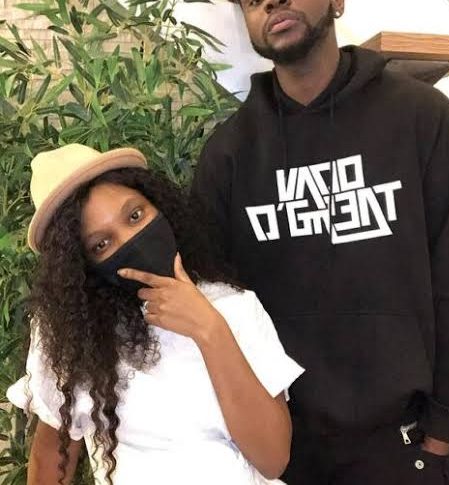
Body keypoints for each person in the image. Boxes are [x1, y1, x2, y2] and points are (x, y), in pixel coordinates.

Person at [191, 0, 449, 483]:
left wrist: (441, 435)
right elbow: (216, 311)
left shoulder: (421, 117)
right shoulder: (228, 154)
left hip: (405, 446)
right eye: (249, 1)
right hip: (284, 453)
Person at [7, 144, 304, 485]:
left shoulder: (233, 306)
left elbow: (272, 459)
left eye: (135, 216)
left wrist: (210, 330)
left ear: (158, 206)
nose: (131, 240)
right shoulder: (73, 338)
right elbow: (51, 457)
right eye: (102, 244)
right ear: (83, 266)